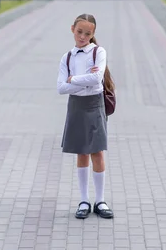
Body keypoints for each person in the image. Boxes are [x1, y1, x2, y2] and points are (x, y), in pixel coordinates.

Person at [56, 13, 115, 219]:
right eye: (79, 32)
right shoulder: (68, 57)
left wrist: (74, 79)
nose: (82, 36)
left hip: (94, 104)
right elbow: (61, 88)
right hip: (76, 106)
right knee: (81, 152)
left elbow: (97, 79)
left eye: (87, 33)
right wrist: (84, 80)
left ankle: (100, 200)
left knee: (97, 152)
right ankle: (84, 200)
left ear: (93, 34)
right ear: (72, 29)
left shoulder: (98, 52)